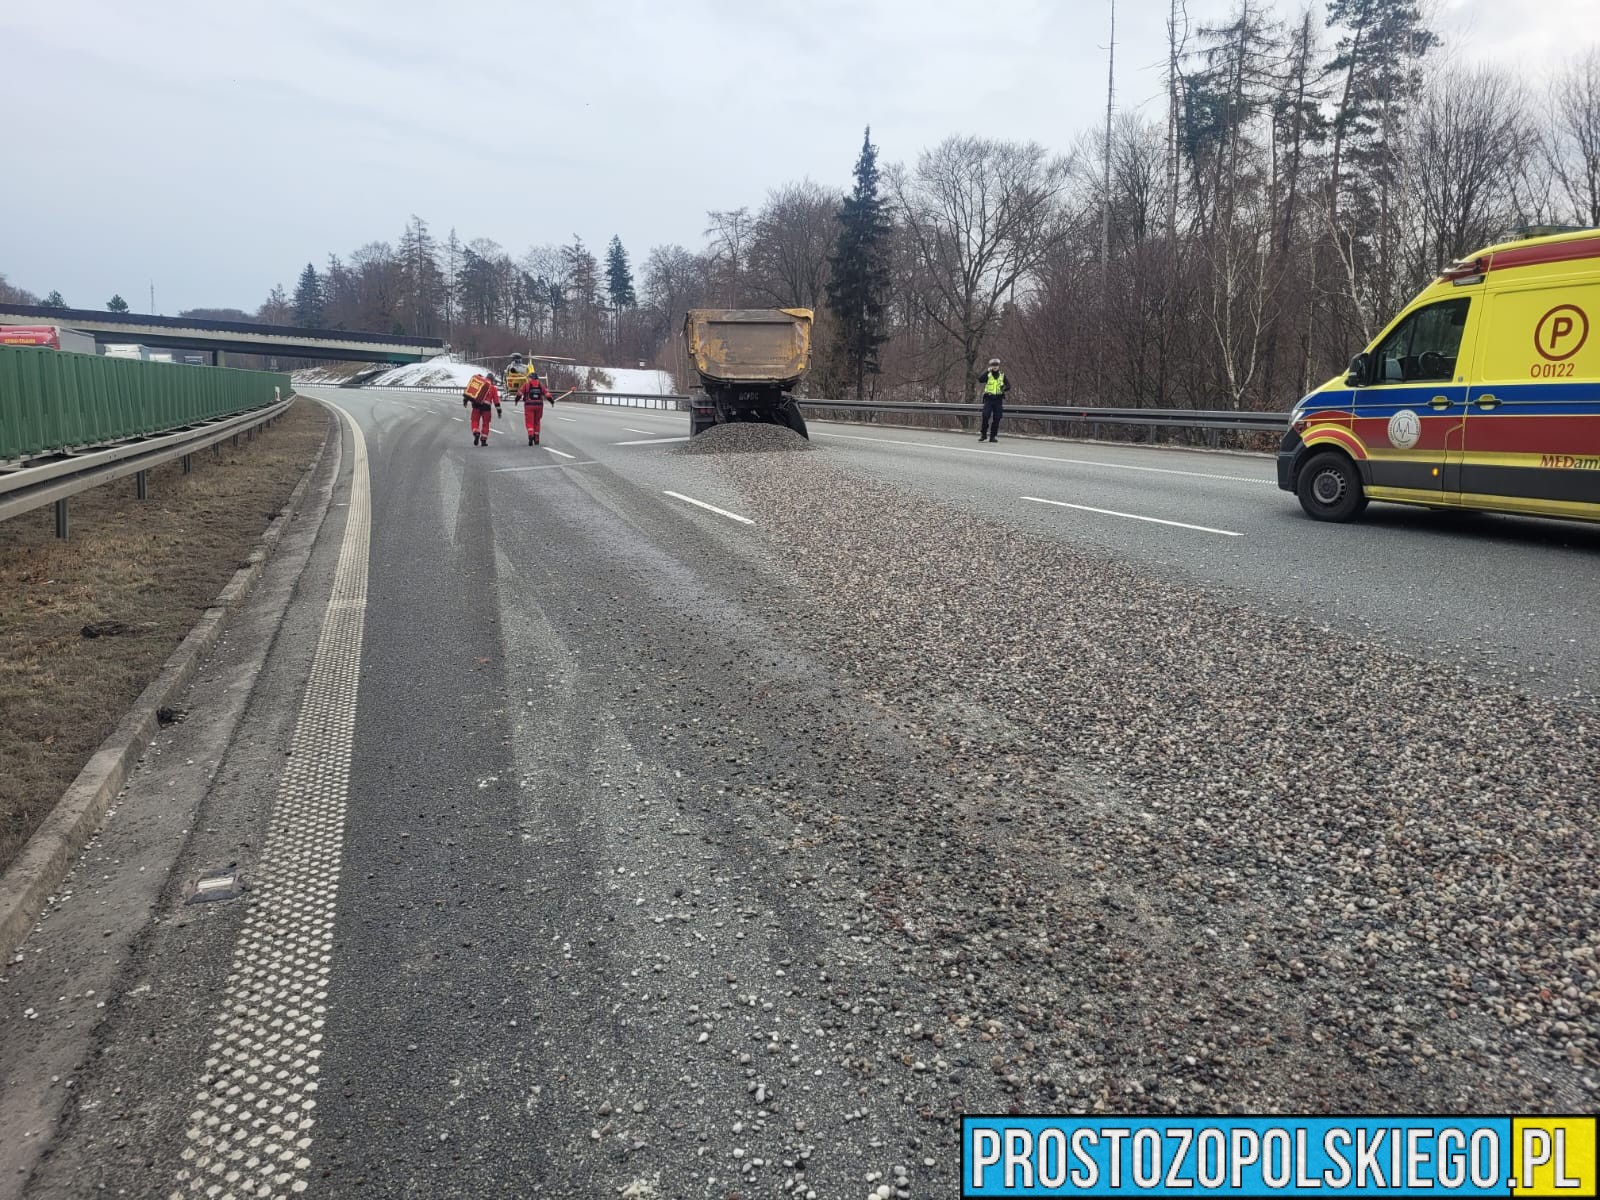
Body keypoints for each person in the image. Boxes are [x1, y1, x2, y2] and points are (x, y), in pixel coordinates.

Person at [515, 369, 555, 445]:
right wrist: (552, 401)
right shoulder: (540, 385)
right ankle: (536, 439)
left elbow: (519, 393)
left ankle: (530, 435)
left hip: (529, 405)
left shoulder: (526, 385)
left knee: (529, 422)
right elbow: (547, 394)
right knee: (537, 422)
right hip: (539, 406)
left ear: (531, 378)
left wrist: (516, 400)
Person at [462, 372, 502, 446]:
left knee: (474, 421)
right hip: (486, 408)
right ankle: (483, 440)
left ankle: (476, 432)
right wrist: (499, 411)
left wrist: (465, 401)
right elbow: (496, 401)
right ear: (492, 380)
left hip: (476, 406)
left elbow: (471, 391)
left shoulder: (480, 383)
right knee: (486, 424)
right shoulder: (493, 388)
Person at [979, 357, 1009, 443]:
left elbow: (1008, 385)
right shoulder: (988, 374)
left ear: (998, 366)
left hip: (998, 400)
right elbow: (980, 380)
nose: (995, 367)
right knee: (985, 416)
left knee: (997, 418)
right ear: (991, 366)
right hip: (989, 398)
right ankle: (983, 434)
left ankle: (993, 436)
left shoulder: (1002, 375)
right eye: (993, 365)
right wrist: (987, 371)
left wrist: (1004, 388)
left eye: (996, 365)